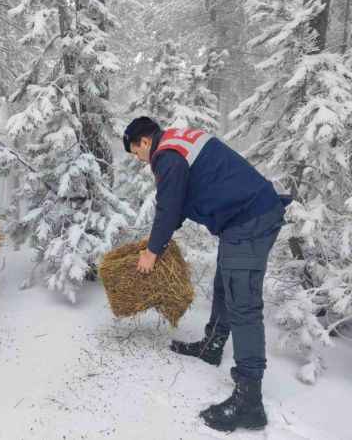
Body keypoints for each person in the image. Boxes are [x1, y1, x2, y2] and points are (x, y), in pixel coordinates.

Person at [123, 117, 290, 432]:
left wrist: (152, 252)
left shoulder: (166, 155)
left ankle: (249, 401)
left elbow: (169, 206)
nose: (138, 159)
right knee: (224, 283)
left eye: (135, 152)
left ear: (144, 142)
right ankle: (212, 345)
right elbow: (180, 204)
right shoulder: (176, 144)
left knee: (243, 303)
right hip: (243, 220)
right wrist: (156, 241)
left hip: (250, 220)